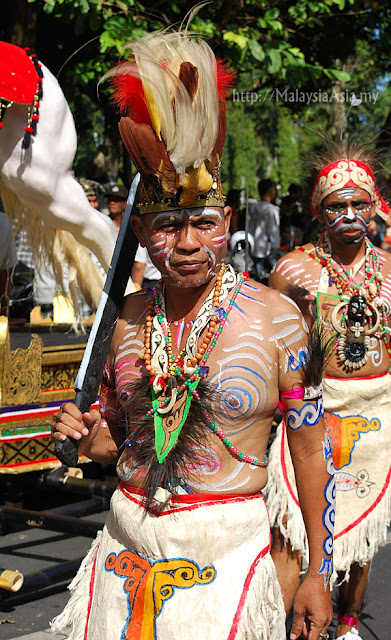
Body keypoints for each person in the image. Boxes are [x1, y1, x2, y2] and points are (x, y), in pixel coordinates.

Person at [51, 29, 333, 640]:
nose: (185, 244)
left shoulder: (276, 320)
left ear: (226, 222)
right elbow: (115, 446)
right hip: (124, 555)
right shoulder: (124, 321)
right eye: (167, 224)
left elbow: (311, 451)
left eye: (203, 224)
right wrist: (85, 431)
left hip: (230, 560)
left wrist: (318, 569)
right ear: (143, 227)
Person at [266, 145, 391, 640]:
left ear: (375, 206)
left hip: (377, 411)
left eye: (359, 204)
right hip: (313, 410)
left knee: (361, 534)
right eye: (337, 206)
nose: (350, 216)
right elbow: (271, 345)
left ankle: (346, 622)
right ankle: (284, 625)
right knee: (293, 527)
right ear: (318, 211)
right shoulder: (294, 270)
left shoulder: (389, 270)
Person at [249, 178, 281, 281]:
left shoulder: (253, 208)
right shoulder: (272, 210)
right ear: (270, 190)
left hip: (253, 247)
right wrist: (276, 247)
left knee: (257, 275)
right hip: (266, 249)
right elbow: (273, 231)